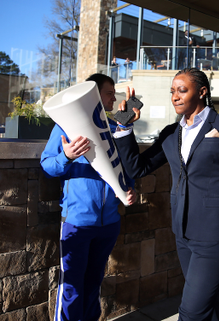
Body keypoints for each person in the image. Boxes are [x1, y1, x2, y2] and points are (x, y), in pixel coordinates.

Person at [113, 67, 219, 320]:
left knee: (191, 312)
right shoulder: (172, 133)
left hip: (215, 236)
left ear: (202, 92)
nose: (175, 96)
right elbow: (138, 168)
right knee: (206, 306)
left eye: (182, 90)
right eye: (172, 91)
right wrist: (124, 125)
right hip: (182, 234)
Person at [41, 73, 135, 321]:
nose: (114, 98)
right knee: (71, 287)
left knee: (94, 282)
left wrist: (130, 187)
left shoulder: (116, 129)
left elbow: (123, 169)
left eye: (115, 94)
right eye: (109, 93)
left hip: (109, 223)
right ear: (94, 94)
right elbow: (48, 165)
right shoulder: (64, 126)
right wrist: (67, 156)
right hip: (77, 221)